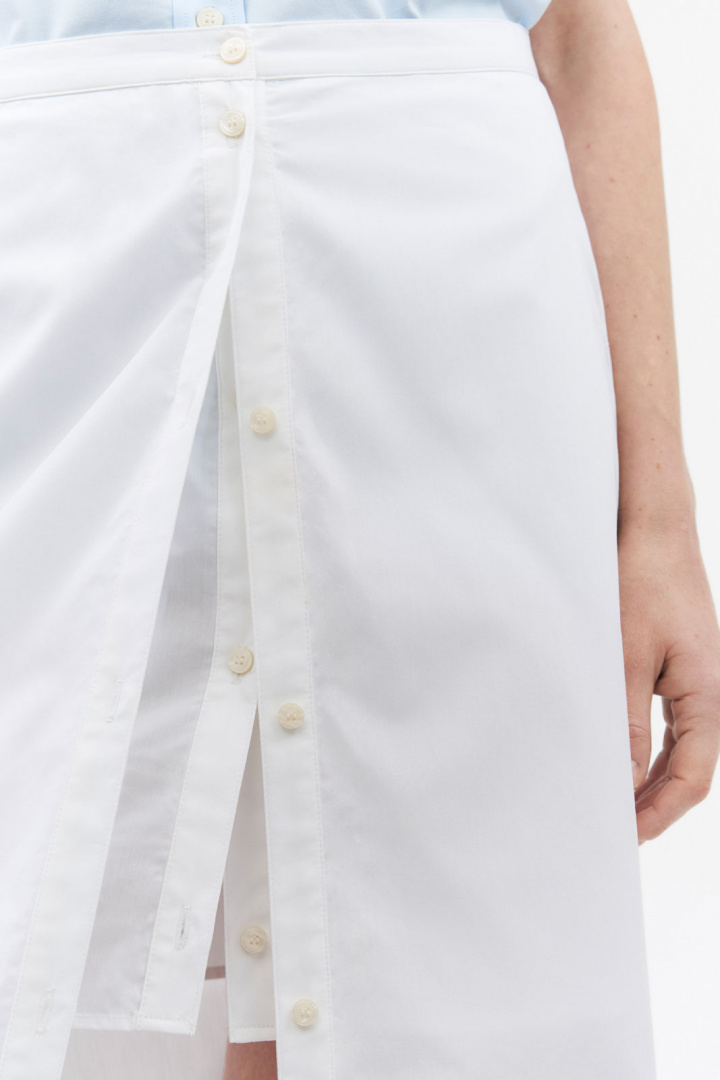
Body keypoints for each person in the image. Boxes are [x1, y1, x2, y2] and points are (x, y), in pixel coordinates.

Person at [0, 2, 718, 1080]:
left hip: (453, 346)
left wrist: (659, 525)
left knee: (431, 942)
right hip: (73, 319)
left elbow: (580, 34)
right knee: (85, 925)